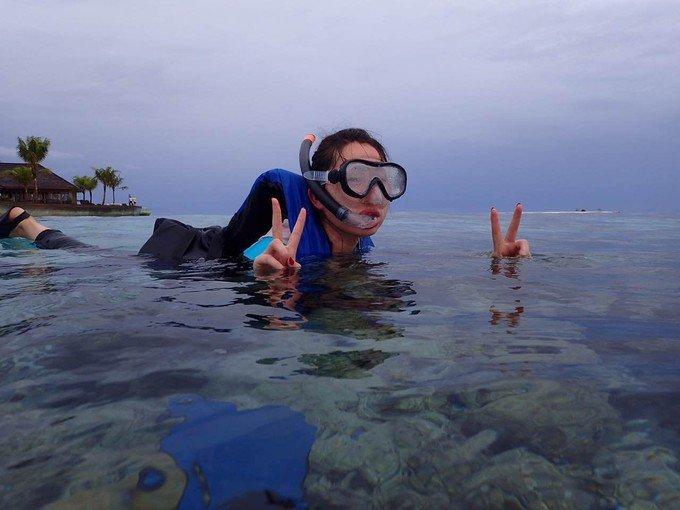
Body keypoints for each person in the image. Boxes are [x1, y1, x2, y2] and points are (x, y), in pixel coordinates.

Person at [0, 128, 530, 271]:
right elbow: (252, 256)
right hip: (189, 258)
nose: (376, 196)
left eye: (386, 180)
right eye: (360, 177)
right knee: (82, 257)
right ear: (321, 185)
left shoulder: (354, 250)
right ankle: (25, 221)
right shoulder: (281, 227)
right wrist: (264, 266)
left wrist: (497, 268)